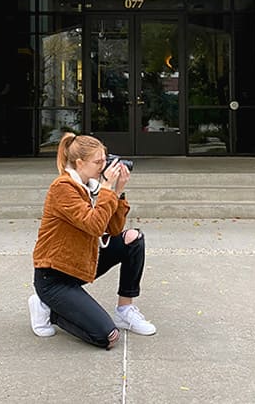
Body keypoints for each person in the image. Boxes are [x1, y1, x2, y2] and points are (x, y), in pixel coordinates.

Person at [28, 132, 156, 349]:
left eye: (105, 160)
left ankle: (125, 310)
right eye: (98, 162)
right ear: (79, 163)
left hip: (80, 264)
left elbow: (113, 229)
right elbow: (94, 225)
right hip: (54, 278)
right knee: (108, 337)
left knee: (133, 239)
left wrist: (118, 191)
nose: (103, 167)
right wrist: (107, 190)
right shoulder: (63, 188)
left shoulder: (90, 187)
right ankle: (49, 309)